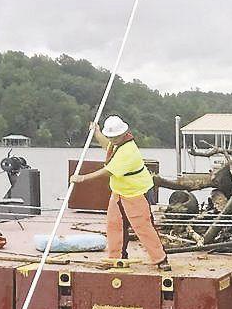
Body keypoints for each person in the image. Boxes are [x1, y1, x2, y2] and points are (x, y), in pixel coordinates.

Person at [70, 115, 169, 270]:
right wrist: (96, 132)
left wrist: (83, 178)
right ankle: (116, 258)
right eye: (110, 137)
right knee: (114, 225)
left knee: (143, 226)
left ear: (123, 133)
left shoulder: (128, 150)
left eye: (115, 137)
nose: (112, 140)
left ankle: (160, 259)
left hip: (136, 192)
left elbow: (107, 171)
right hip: (119, 192)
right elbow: (107, 146)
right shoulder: (116, 144)